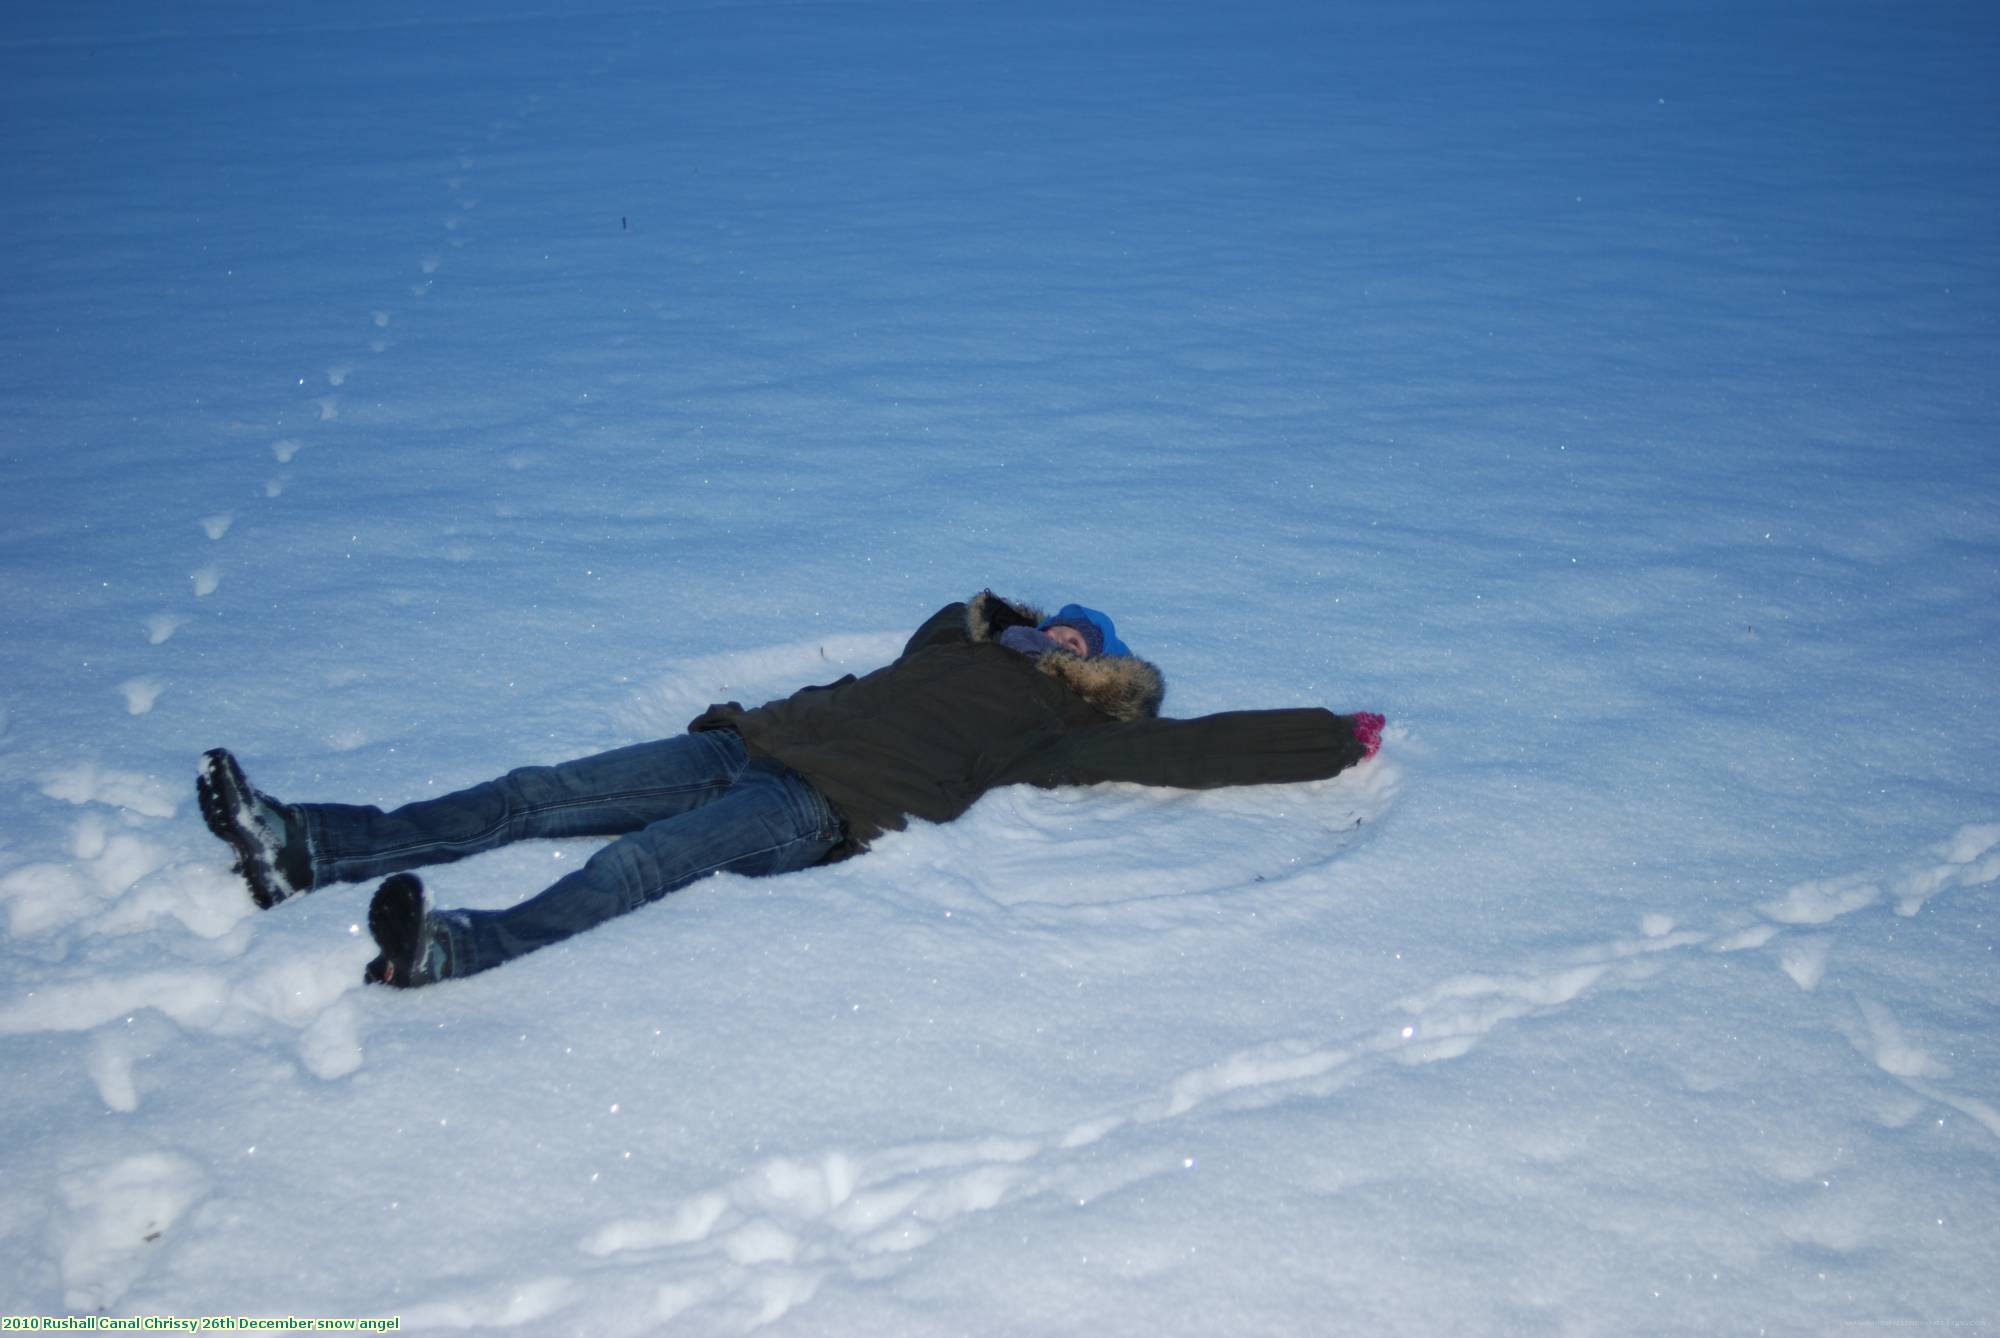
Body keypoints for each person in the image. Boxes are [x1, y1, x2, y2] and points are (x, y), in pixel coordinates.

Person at [197, 591, 1385, 988]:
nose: (1061, 644)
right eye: (1054, 626)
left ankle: (457, 949)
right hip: (744, 746)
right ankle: (309, 844)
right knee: (533, 790)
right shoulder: (956, 653)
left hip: (820, 812)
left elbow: (1185, 749)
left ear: (1098, 671)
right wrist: (982, 624)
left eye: (1082, 644)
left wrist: (1328, 735)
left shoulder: (1050, 727)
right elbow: (935, 627)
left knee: (635, 866)